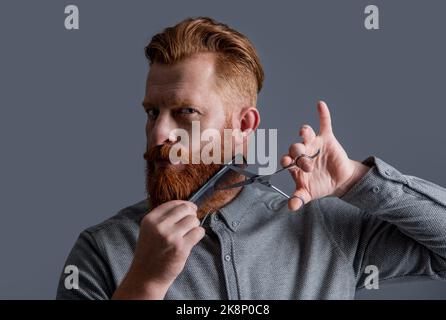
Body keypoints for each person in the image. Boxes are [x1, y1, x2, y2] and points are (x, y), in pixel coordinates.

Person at [56, 17, 446, 300]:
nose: (159, 135)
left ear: (244, 125)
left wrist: (356, 182)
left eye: (185, 113)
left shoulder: (326, 231)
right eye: (152, 113)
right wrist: (143, 284)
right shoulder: (103, 251)